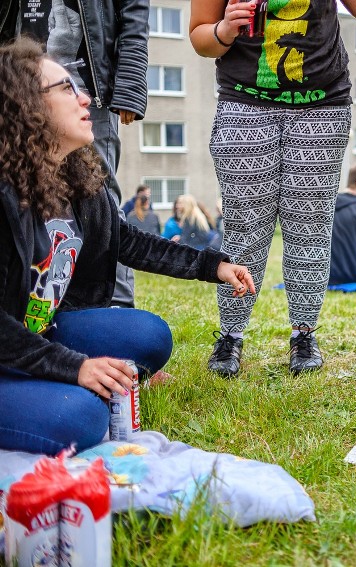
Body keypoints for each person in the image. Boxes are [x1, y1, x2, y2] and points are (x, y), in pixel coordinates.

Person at [0, 39, 255, 455]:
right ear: (24, 105)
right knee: (81, 418)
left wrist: (212, 266)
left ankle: (41, 381)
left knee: (149, 334)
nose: (84, 98)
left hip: (39, 332)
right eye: (65, 89)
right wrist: (73, 367)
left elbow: (126, 240)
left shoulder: (75, 176)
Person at [189, 0, 356, 377]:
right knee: (245, 228)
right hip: (244, 103)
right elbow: (201, 37)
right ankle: (230, 337)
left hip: (322, 105)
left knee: (309, 226)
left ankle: (304, 335)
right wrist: (224, 31)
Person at [3, 0, 150, 309]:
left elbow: (133, 11)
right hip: (20, 79)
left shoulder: (81, 100)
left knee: (99, 196)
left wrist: (129, 85)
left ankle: (115, 305)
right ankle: (28, 305)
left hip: (88, 79)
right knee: (17, 189)